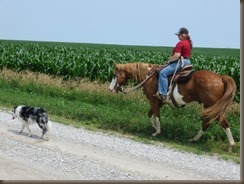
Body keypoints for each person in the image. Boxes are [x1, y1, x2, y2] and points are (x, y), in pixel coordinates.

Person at [155, 27, 193, 102]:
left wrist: (169, 61)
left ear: (183, 35)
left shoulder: (180, 43)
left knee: (163, 73)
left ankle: (163, 93)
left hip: (180, 62)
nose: (178, 36)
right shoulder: (189, 43)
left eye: (179, 35)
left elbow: (176, 56)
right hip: (187, 62)